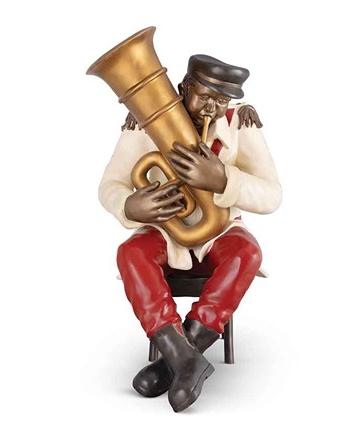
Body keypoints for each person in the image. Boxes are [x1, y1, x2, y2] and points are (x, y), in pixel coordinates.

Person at [98, 54, 281, 412]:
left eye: (222, 100)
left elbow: (272, 194)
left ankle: (179, 358)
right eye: (204, 95)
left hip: (220, 229)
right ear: (183, 88)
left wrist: (223, 180)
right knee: (130, 253)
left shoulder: (241, 124)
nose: (212, 107)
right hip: (166, 231)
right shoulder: (143, 120)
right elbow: (110, 185)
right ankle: (185, 358)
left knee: (247, 252)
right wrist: (131, 206)